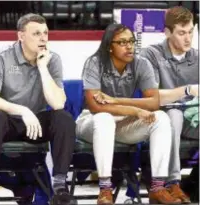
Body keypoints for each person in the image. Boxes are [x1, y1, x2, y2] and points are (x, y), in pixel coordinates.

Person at [76, 23, 182, 205]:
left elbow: (154, 102)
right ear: (110, 46)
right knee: (104, 119)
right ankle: (105, 189)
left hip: (123, 123)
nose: (129, 46)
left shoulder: (142, 64)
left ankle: (157, 187)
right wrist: (135, 110)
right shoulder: (94, 63)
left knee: (161, 118)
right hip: (91, 122)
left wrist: (116, 100)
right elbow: (96, 107)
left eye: (131, 41)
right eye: (122, 42)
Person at [0, 13, 76, 205]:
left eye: (45, 33)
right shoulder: (1, 57)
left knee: (63, 119)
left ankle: (59, 186)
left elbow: (57, 103)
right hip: (9, 120)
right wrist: (22, 111)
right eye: (36, 33)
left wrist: (43, 67)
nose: (43, 38)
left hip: (36, 124)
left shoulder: (52, 60)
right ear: (21, 36)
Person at [140, 6, 199, 204]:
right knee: (173, 115)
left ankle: (192, 184)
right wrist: (187, 90)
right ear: (167, 32)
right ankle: (173, 182)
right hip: (160, 119)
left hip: (192, 117)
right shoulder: (151, 55)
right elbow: (152, 97)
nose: (188, 38)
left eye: (191, 31)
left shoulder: (197, 57)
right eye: (182, 33)